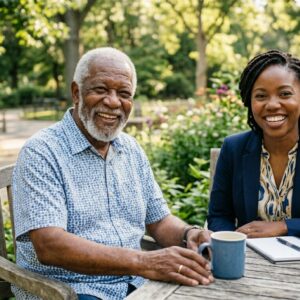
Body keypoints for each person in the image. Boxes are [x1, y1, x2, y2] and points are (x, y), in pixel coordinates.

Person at [12, 47, 214, 300]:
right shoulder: (42, 151)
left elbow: (160, 220)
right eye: (100, 89)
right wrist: (144, 261)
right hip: (67, 290)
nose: (113, 102)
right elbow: (50, 246)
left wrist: (189, 234)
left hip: (135, 283)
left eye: (124, 93)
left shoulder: (131, 149)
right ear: (77, 93)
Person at [208, 49, 300, 238]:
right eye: (261, 96)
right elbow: (219, 216)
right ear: (249, 102)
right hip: (252, 261)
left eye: (284, 94)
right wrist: (233, 243)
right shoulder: (234, 148)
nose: (273, 104)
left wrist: (284, 226)